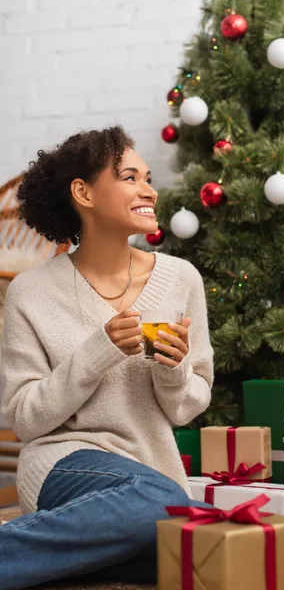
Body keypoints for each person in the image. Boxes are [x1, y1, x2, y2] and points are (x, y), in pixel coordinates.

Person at [0, 125, 213, 589]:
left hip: (150, 473)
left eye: (148, 178)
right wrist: (98, 352)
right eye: (130, 177)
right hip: (63, 464)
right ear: (83, 192)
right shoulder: (31, 293)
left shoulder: (182, 279)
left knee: (209, 538)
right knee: (162, 502)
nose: (149, 190)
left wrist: (175, 369)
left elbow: (185, 408)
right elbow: (26, 419)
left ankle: (68, 558)